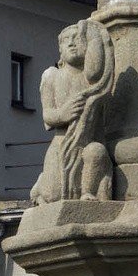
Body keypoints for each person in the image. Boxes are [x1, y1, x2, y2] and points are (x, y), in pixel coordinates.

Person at [30, 19, 113, 203]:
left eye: (77, 38)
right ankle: (40, 185)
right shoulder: (52, 75)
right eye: (66, 39)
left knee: (96, 151)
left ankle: (87, 192)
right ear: (60, 49)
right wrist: (63, 114)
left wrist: (95, 39)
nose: (71, 43)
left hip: (86, 142)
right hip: (61, 143)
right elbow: (47, 116)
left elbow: (99, 69)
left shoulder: (92, 81)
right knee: (53, 195)